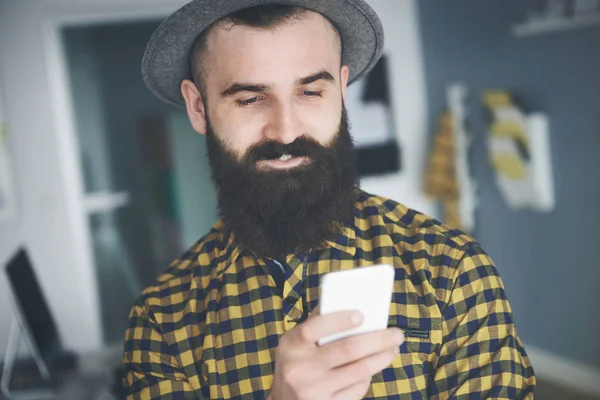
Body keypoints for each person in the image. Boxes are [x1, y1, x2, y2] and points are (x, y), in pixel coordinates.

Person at [122, 1, 536, 398]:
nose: (285, 132)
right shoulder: (161, 320)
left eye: (310, 92)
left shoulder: (452, 269)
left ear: (340, 89)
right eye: (250, 99)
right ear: (198, 107)